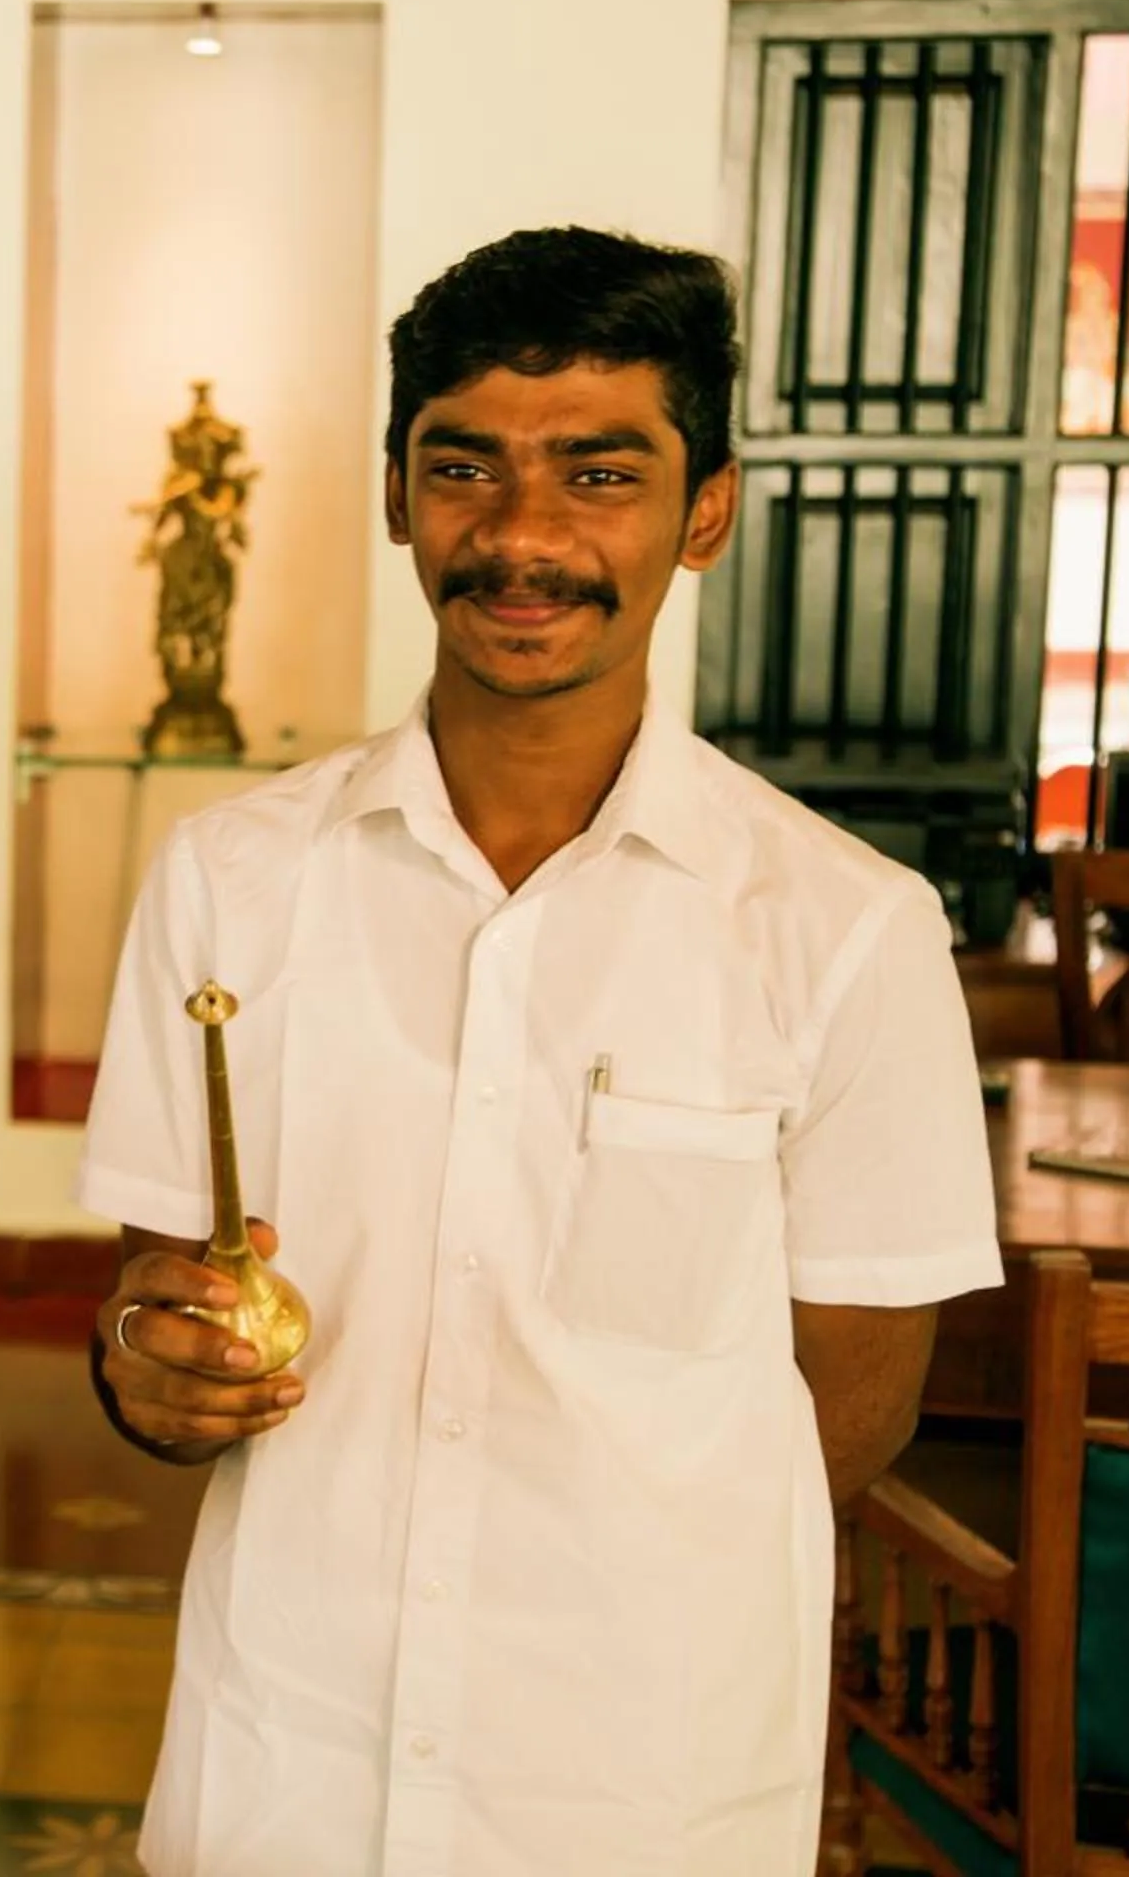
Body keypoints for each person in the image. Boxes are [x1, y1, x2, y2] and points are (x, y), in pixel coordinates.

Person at [80, 228, 1000, 1876]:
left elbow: (845, 1410)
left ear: (705, 510)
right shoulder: (232, 881)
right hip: (291, 1757)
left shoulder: (846, 930)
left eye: (600, 471)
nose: (522, 536)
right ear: (393, 494)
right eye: (464, 468)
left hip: (638, 1783)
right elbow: (171, 1291)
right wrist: (154, 1374)